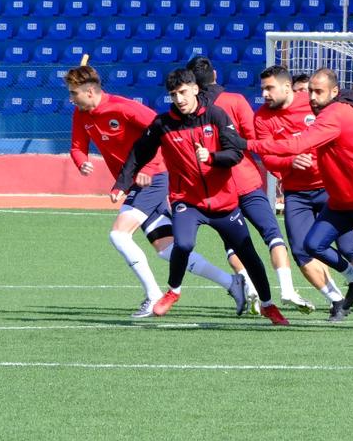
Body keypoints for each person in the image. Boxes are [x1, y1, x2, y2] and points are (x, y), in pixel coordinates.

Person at [111, 68, 288, 325]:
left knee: (248, 254)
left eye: (183, 92)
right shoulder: (163, 124)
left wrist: (212, 157)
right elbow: (139, 152)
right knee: (182, 245)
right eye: (173, 95)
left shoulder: (216, 115)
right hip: (188, 201)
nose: (179, 99)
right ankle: (173, 291)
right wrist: (121, 184)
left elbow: (235, 153)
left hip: (224, 202)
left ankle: (269, 306)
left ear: (195, 89)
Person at [65, 64, 243, 317]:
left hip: (155, 177)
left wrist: (149, 166)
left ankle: (153, 295)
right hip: (135, 182)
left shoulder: (123, 107)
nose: (71, 99)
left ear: (91, 91)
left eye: (74, 93)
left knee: (119, 235)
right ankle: (232, 282)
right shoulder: (81, 114)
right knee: (167, 250)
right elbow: (76, 146)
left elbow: (162, 129)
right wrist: (81, 160)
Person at [244, 70, 353, 331]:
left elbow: (299, 144)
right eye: (310, 91)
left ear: (334, 92)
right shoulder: (334, 114)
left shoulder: (335, 113)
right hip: (341, 200)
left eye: (318, 92)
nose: (312, 97)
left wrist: (245, 144)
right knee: (312, 244)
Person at [185, 56, 310, 313]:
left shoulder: (190, 112)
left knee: (234, 243)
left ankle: (251, 289)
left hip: (217, 188)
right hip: (247, 180)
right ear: (215, 75)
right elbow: (254, 141)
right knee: (272, 235)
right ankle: (286, 288)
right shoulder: (235, 101)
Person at [253, 65, 352, 320]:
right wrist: (290, 161)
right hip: (296, 193)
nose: (264, 93)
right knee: (301, 251)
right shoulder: (261, 117)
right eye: (262, 88)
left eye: (269, 88)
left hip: (330, 185)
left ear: (287, 87)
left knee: (350, 248)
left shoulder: (313, 104)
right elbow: (268, 157)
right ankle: (337, 300)